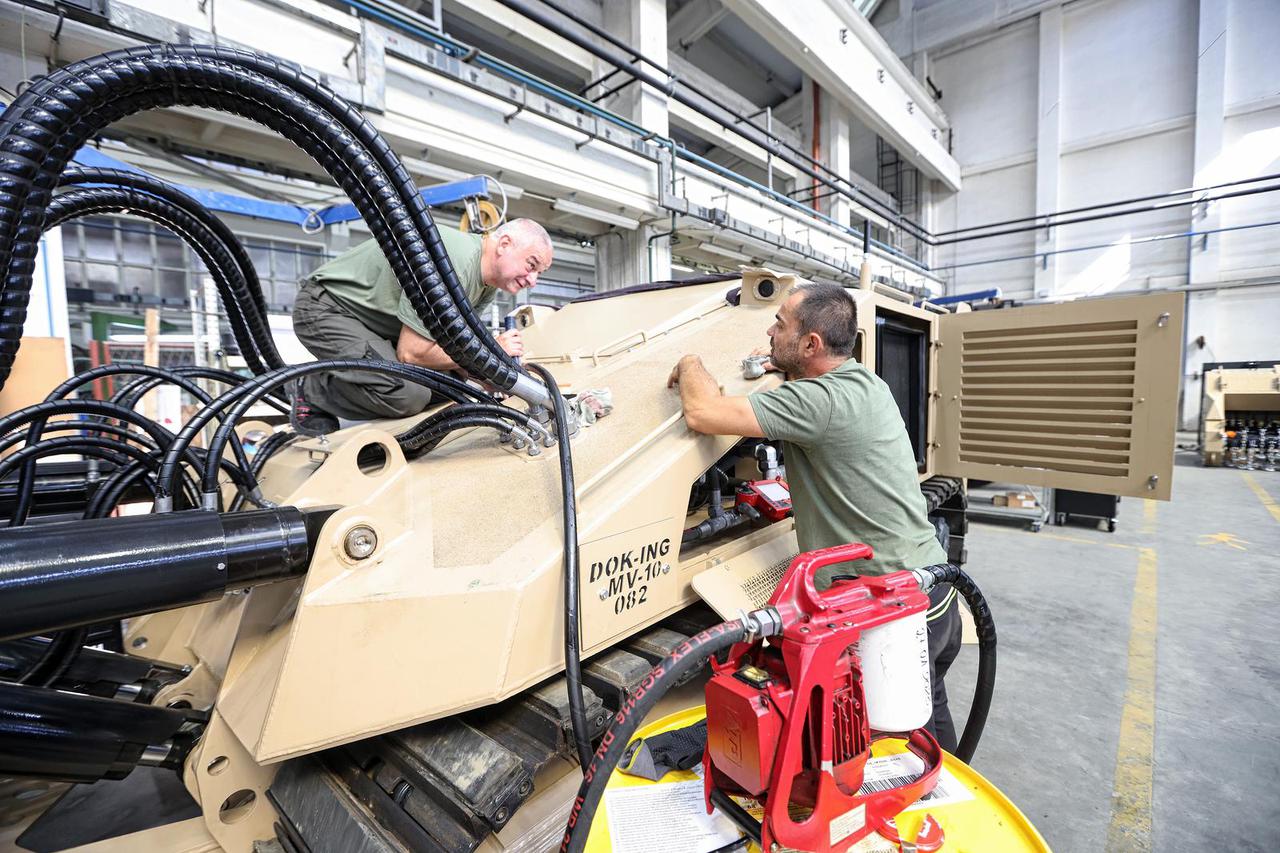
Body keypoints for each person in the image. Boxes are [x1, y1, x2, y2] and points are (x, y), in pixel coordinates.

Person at [666, 282, 963, 751]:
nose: (769, 330)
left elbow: (702, 412)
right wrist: (782, 372)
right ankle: (951, 797)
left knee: (875, 747)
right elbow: (815, 405)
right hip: (934, 595)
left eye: (780, 324)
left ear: (811, 344)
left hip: (891, 614)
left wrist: (688, 363)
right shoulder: (864, 382)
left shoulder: (817, 404)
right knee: (927, 724)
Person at [290, 218, 553, 431]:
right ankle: (312, 389)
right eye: (531, 265)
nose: (533, 281)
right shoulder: (455, 261)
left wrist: (488, 377)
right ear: (504, 244)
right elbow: (412, 353)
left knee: (451, 385)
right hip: (327, 308)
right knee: (406, 395)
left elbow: (455, 344)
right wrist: (489, 353)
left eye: (539, 273)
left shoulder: (485, 287)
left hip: (376, 326)